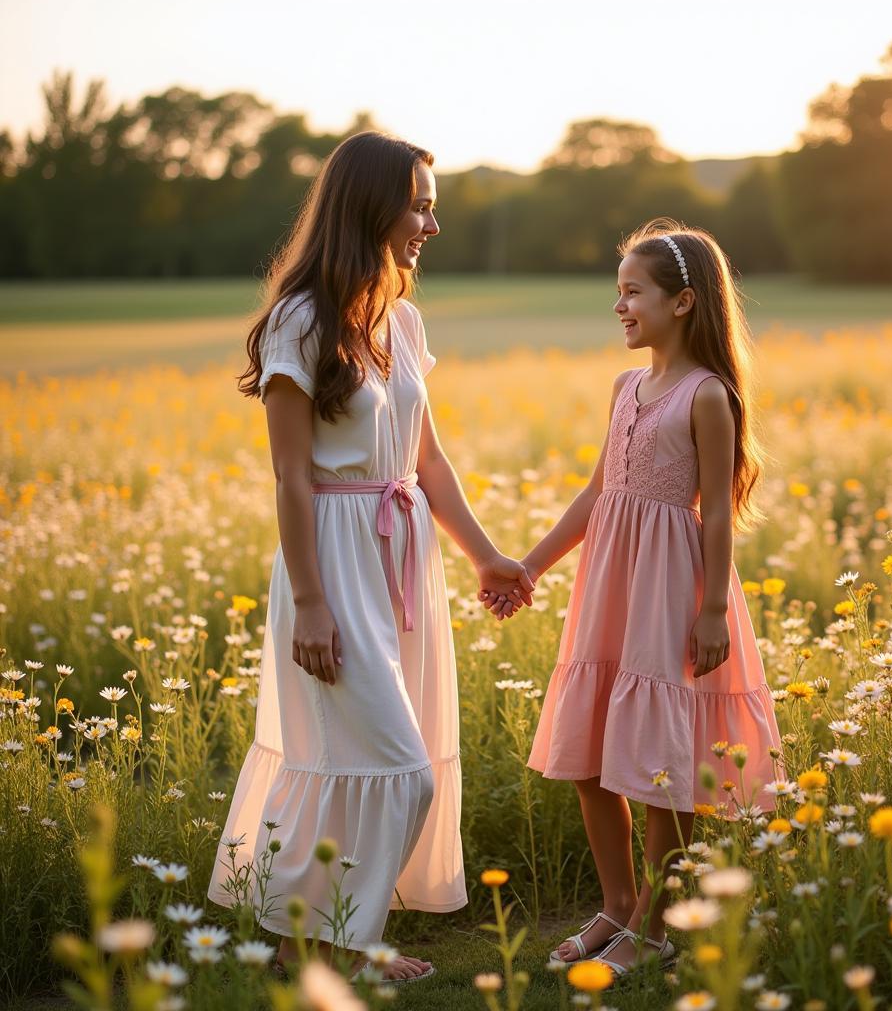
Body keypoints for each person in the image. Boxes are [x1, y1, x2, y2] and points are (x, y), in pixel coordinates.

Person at [209, 131, 533, 983]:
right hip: (330, 558)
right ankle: (335, 940)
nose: (432, 222)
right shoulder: (300, 321)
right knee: (394, 765)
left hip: (403, 555)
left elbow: (427, 463)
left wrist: (487, 557)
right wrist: (310, 603)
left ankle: (309, 944)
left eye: (433, 205)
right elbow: (288, 474)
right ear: (371, 206)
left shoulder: (404, 318)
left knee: (385, 753)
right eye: (420, 203)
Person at [484, 218, 783, 978]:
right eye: (616, 292)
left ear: (682, 303)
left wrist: (712, 608)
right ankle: (617, 903)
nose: (619, 306)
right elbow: (600, 493)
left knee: (658, 760)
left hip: (671, 590)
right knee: (589, 755)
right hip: (609, 582)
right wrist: (532, 566)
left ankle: (653, 922)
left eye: (632, 292)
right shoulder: (626, 387)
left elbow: (716, 509)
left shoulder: (706, 395)